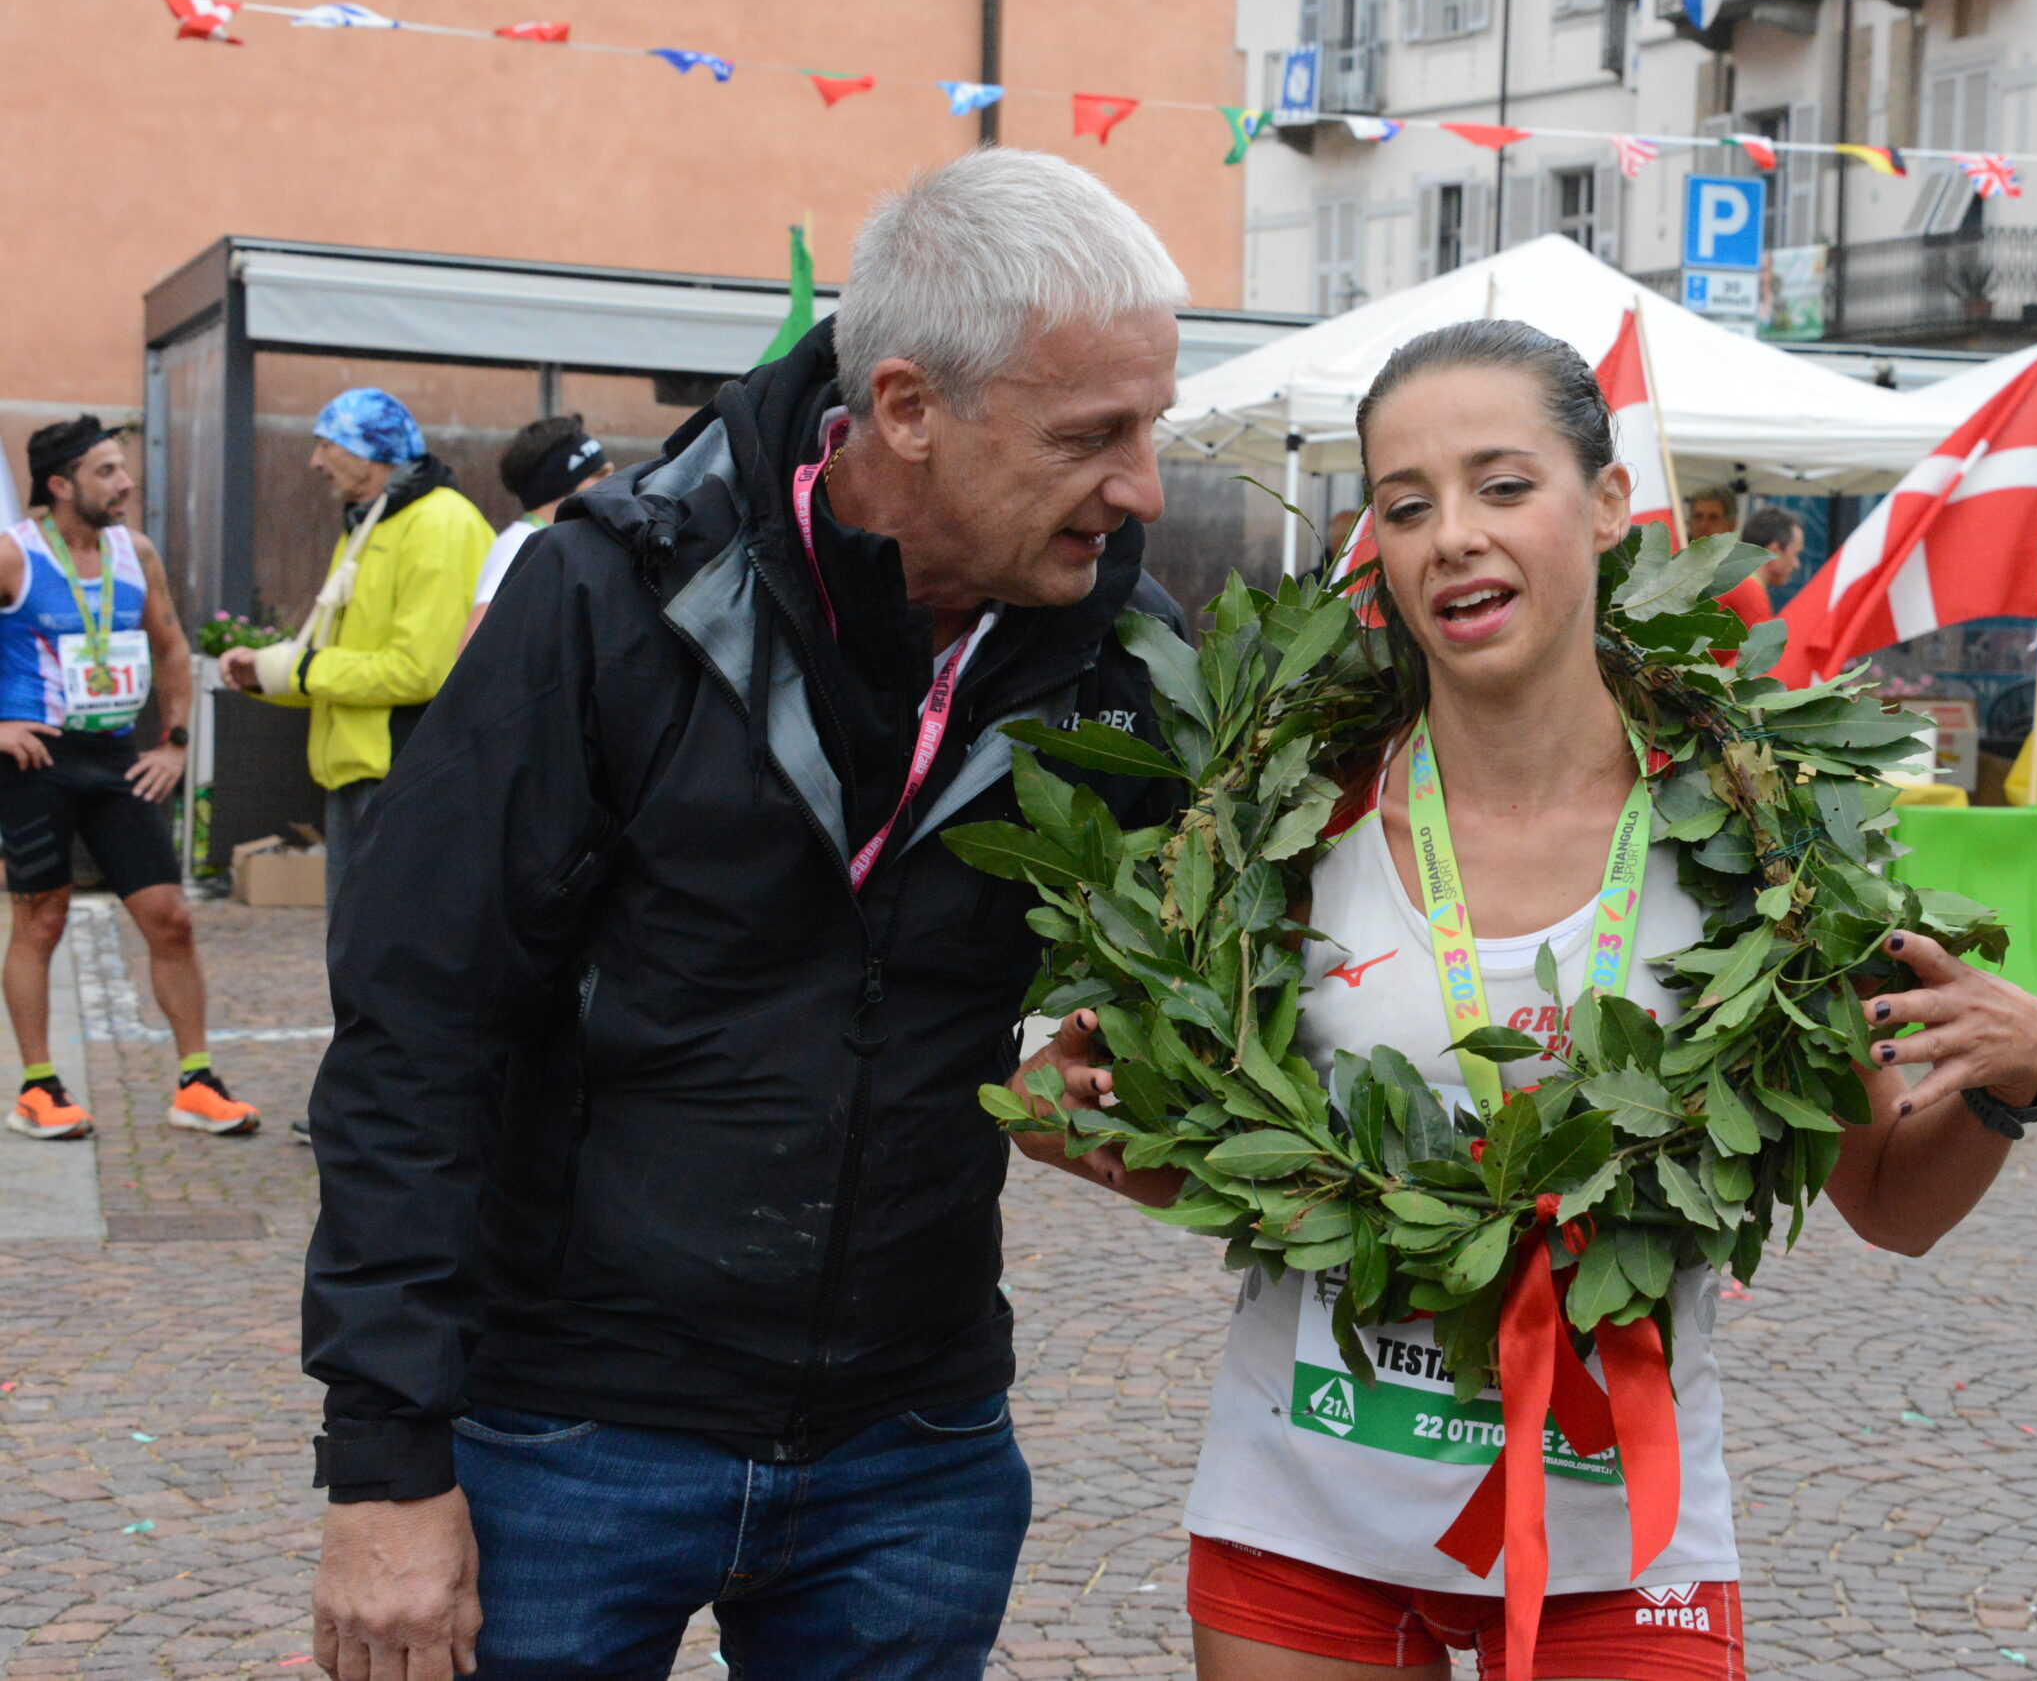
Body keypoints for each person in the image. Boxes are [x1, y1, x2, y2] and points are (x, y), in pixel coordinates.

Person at [1019, 321, 2037, 1681]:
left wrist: (2008, 1083)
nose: (1452, 533)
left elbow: (1888, 1202)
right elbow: (1236, 1169)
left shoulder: (1765, 849)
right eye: (1408, 503)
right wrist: (1092, 1135)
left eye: (1502, 484)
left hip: (1618, 1539)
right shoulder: (1281, 825)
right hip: (1311, 1507)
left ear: (1612, 503)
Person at [298, 149, 1190, 1681]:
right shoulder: (610, 601)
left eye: (1151, 428)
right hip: (571, 1434)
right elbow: (415, 1036)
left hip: (916, 1453)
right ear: (906, 408)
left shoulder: (1132, 664)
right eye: (1091, 436)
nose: (1144, 488)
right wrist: (387, 1468)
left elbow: (1242, 951)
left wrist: (1140, 1055)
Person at [0, 418, 258, 1140]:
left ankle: (196, 1083)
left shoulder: (133, 551)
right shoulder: (13, 556)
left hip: (117, 757)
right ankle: (38, 1087)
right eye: (108, 470)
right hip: (36, 760)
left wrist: (174, 742)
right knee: (41, 918)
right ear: (60, 484)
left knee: (170, 916)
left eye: (123, 468)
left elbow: (172, 647)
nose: (126, 482)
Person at [217, 387, 493, 905]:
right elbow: (342, 661)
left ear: (370, 451)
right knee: (355, 954)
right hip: (359, 774)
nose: (314, 461)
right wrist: (268, 674)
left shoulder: (439, 523)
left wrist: (294, 670)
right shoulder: (372, 520)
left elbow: (421, 671)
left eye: (326, 444)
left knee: (386, 955)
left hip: (403, 775)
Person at [459, 416, 613, 649]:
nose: (615, 483)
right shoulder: (522, 545)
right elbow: (472, 648)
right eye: (599, 475)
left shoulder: (545, 543)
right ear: (559, 485)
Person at [1714, 505, 1803, 632]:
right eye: (1795, 554)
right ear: (1775, 551)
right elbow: (1764, 649)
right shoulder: (1749, 590)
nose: (1796, 564)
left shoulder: (1732, 580)